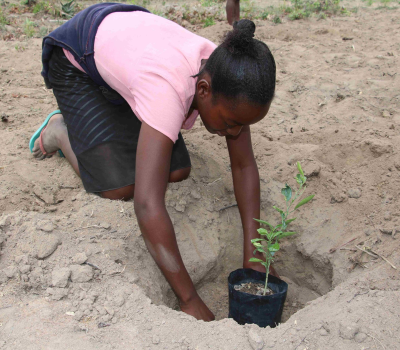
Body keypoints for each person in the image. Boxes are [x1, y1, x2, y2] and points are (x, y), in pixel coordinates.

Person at [30, 3, 276, 322]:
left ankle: (118, 116)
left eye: (244, 125)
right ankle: (61, 132)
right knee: (120, 186)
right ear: (203, 89)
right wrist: (188, 299)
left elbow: (244, 166)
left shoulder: (232, 73)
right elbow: (147, 205)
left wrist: (255, 257)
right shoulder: (168, 90)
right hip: (76, 57)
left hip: (131, 54)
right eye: (230, 123)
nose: (235, 132)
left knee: (176, 170)